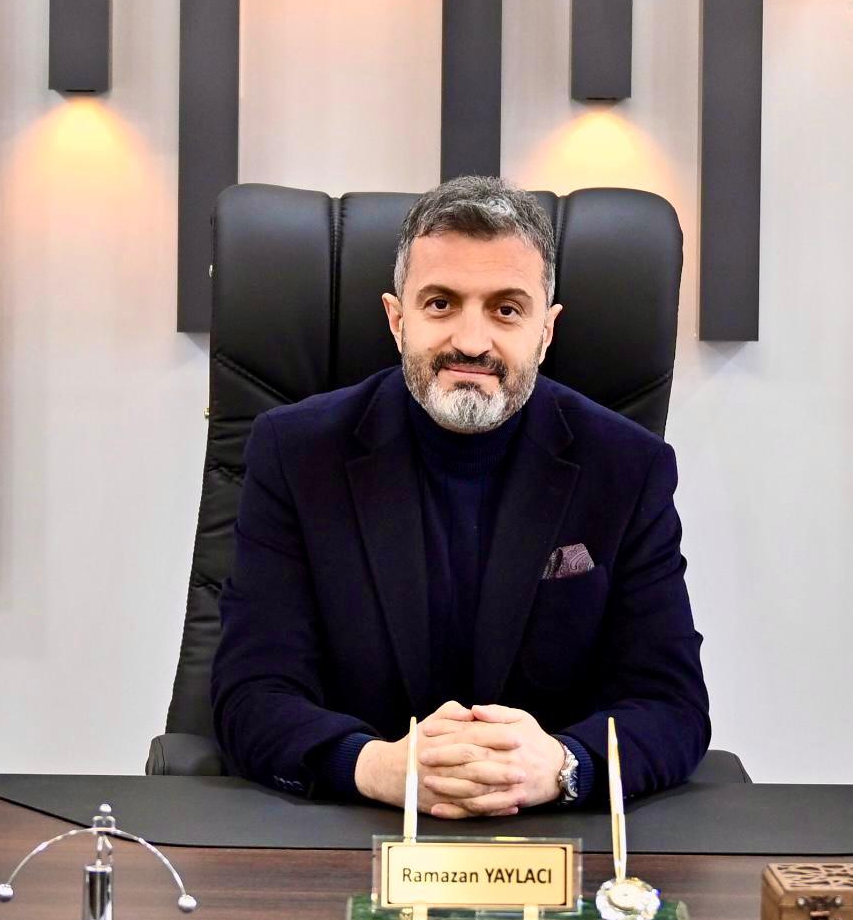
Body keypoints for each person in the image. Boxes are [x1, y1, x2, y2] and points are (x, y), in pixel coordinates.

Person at [211, 176, 712, 812]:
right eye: (441, 304)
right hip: (349, 827)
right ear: (397, 320)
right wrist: (376, 766)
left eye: (506, 309)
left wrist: (564, 766)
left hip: (553, 836)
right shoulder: (296, 453)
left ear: (546, 330)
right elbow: (251, 692)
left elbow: (671, 704)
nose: (471, 342)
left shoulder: (627, 468)